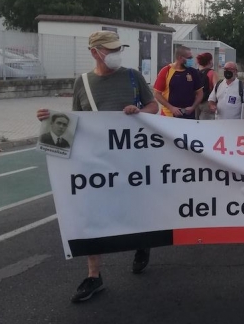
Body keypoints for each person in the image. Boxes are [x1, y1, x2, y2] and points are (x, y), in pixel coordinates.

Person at [36, 31, 159, 303]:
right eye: (110, 49)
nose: (116, 54)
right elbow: (75, 122)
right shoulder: (83, 82)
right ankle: (94, 276)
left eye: (118, 48)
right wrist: (49, 119)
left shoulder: (132, 76)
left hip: (131, 162)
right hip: (95, 164)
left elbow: (153, 106)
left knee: (134, 208)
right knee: (92, 215)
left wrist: (140, 111)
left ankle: (142, 242)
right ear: (95, 52)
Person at [154, 46, 203, 119]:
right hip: (169, 115)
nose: (191, 60)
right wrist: (171, 108)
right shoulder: (166, 71)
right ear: (180, 58)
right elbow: (157, 94)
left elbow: (200, 93)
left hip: (189, 115)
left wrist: (193, 107)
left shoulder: (193, 72)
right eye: (189, 58)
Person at [195, 52, 216, 120]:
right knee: (206, 126)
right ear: (209, 61)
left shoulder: (194, 72)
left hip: (195, 103)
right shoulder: (212, 73)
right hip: (207, 103)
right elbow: (216, 89)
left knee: (195, 124)